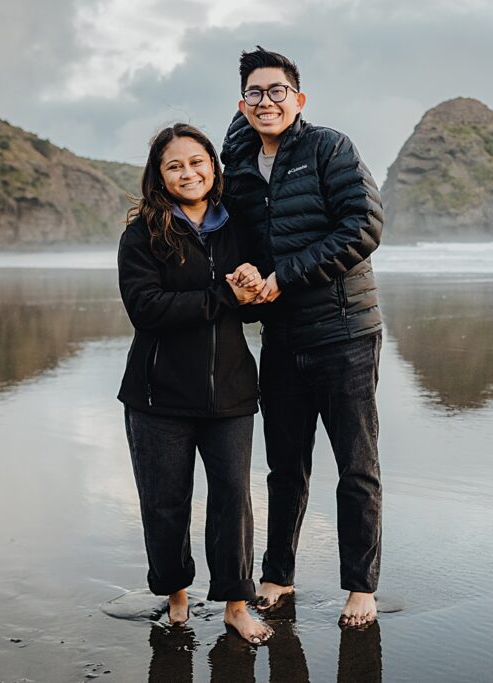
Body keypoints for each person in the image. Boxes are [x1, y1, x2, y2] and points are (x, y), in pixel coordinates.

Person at [220, 47, 384, 628]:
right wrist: (240, 274)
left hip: (345, 332)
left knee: (355, 466)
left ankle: (360, 588)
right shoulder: (236, 160)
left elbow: (363, 226)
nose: (267, 102)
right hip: (281, 336)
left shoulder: (328, 148)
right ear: (243, 103)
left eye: (277, 92)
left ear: (299, 98)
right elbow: (232, 235)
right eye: (256, 94)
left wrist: (280, 276)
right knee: (285, 466)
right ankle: (278, 576)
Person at [117, 123, 273, 644]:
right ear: (159, 176)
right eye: (175, 165)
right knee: (166, 502)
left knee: (233, 500)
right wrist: (225, 297)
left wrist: (254, 285)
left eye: (197, 161)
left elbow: (261, 281)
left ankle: (235, 605)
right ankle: (176, 598)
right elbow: (147, 308)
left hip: (229, 391)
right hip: (157, 395)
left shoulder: (240, 226)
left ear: (214, 165)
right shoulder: (143, 232)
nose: (189, 172)